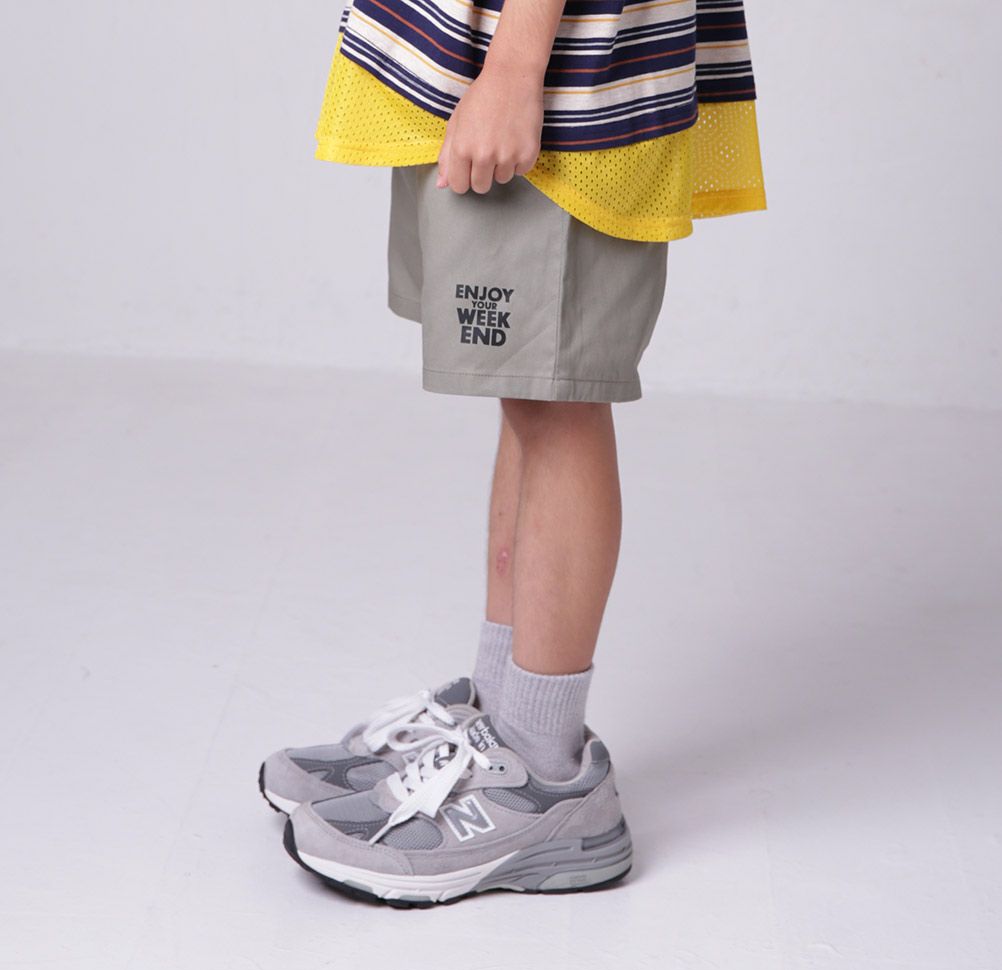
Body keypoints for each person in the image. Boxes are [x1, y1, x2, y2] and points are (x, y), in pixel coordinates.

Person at [261, 0, 766, 906]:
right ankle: (500, 720)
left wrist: (516, 66)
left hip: (556, 60)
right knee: (530, 389)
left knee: (559, 396)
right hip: (503, 48)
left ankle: (543, 771)